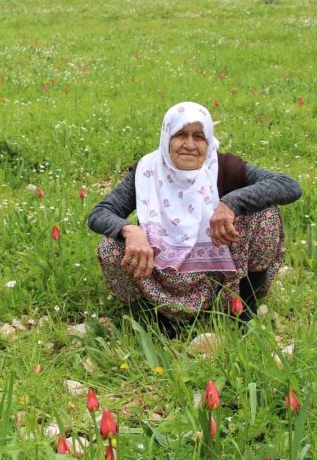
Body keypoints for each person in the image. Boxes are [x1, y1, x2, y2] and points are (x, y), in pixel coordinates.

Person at [87, 102, 301, 322]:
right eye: (180, 134)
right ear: (166, 137)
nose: (189, 144)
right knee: (110, 247)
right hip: (160, 275)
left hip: (220, 279)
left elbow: (289, 186)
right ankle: (152, 319)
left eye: (199, 137)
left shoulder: (224, 167)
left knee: (265, 215)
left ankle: (243, 307)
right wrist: (129, 230)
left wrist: (231, 202)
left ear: (208, 141)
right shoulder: (147, 172)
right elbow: (100, 213)